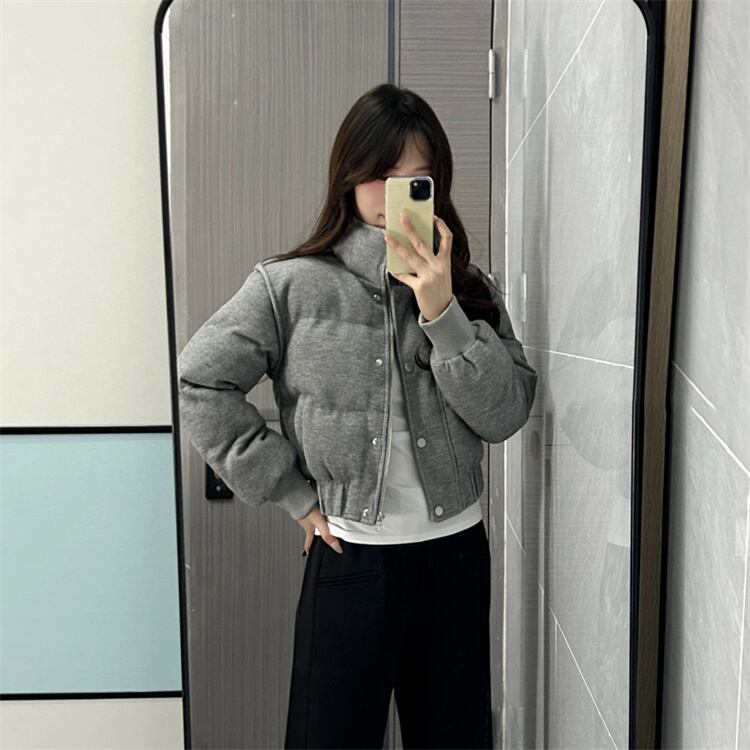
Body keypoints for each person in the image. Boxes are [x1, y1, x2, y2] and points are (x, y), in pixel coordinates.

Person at [177, 82, 537, 750]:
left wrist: (442, 312)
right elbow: (201, 380)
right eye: (382, 174)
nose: (396, 193)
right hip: (349, 558)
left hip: (455, 557)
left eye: (416, 179)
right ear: (349, 174)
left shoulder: (469, 289)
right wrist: (290, 493)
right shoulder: (289, 286)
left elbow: (505, 413)